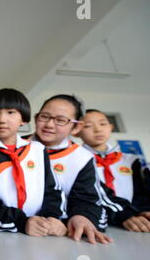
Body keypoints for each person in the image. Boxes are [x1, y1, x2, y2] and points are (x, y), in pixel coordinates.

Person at [0, 88, 65, 237]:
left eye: (10, 112)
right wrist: (22, 222)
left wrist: (51, 218)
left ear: (24, 119)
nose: (2, 119)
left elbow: (52, 190)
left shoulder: (38, 149)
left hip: (42, 233)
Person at [30, 95, 112, 244]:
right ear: (36, 118)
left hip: (59, 234)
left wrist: (81, 216)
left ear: (76, 127)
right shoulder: (16, 147)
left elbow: (86, 199)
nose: (49, 124)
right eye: (44, 117)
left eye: (60, 120)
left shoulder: (82, 158)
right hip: (17, 227)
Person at [79, 109, 150, 232]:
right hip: (94, 221)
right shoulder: (77, 159)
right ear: (76, 130)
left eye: (103, 124)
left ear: (111, 127)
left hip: (130, 221)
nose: (98, 130)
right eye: (88, 126)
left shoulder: (130, 160)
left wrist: (145, 212)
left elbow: (139, 195)